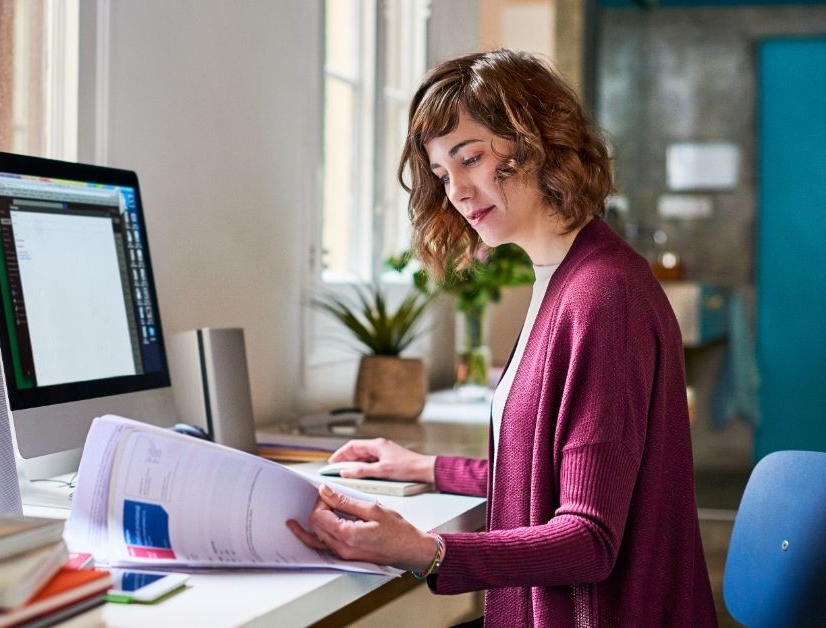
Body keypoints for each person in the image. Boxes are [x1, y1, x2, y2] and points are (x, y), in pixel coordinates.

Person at [287, 50, 717, 626]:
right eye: (443, 174)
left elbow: (589, 540)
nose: (459, 191)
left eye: (472, 158)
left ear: (540, 141)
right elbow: (552, 471)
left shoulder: (603, 296)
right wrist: (423, 467)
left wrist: (424, 550)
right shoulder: (563, 275)